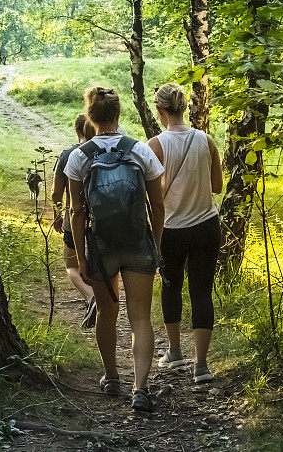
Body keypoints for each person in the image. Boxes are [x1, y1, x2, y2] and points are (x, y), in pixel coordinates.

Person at [65, 87, 165, 412]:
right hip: (138, 243)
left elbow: (77, 212)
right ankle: (140, 389)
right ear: (119, 115)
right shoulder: (139, 150)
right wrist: (155, 245)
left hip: (100, 245)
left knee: (107, 314)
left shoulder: (80, 155)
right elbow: (159, 204)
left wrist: (81, 258)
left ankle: (111, 379)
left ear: (90, 117)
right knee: (140, 318)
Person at [148, 83, 223, 384]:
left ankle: (176, 352)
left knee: (171, 288)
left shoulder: (155, 145)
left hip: (172, 229)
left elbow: (151, 195)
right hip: (206, 226)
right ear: (183, 107)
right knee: (202, 291)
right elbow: (217, 186)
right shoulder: (207, 140)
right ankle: (201, 365)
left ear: (160, 110)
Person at [52, 114, 98, 328]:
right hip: (102, 221)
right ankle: (103, 300)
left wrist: (57, 215)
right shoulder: (105, 150)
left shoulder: (68, 154)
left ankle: (91, 297)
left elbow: (55, 193)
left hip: (74, 220)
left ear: (77, 130)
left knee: (71, 264)